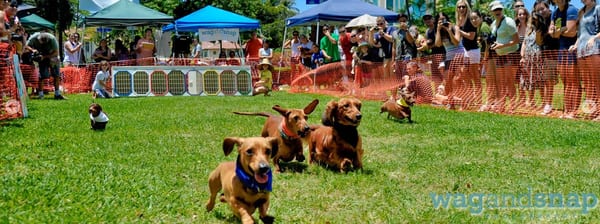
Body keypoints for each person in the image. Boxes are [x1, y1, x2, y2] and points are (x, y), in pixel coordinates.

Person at [569, 0, 600, 120]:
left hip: (594, 49)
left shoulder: (598, 8)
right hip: (581, 51)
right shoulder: (581, 11)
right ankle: (592, 112)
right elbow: (580, 34)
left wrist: (594, 38)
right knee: (587, 84)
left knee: (597, 82)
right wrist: (575, 44)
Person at [549, 0, 579, 118]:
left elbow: (571, 33)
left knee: (573, 81)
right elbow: (553, 33)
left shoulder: (572, 10)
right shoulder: (555, 13)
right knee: (565, 81)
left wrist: (558, 31)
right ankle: (567, 110)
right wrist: (561, 30)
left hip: (573, 49)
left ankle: (573, 111)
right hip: (562, 49)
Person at [489, 1, 520, 113]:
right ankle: (501, 106)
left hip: (511, 54)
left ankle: (512, 107)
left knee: (509, 81)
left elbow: (517, 40)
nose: (498, 11)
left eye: (499, 9)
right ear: (491, 11)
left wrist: (503, 45)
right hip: (500, 55)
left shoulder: (508, 22)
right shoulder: (493, 24)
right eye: (495, 10)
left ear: (502, 10)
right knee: (500, 82)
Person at [535, 0, 560, 115]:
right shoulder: (539, 22)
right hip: (547, 54)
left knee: (568, 80)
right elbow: (539, 41)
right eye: (538, 10)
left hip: (560, 52)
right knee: (548, 80)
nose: (541, 11)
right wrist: (538, 28)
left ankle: (571, 107)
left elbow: (557, 34)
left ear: (548, 7)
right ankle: (548, 105)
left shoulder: (555, 16)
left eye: (542, 8)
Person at [435, 12, 463, 109]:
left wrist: (449, 30)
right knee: (448, 81)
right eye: (440, 21)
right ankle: (451, 103)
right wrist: (438, 30)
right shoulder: (439, 32)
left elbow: (456, 42)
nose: (442, 22)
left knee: (457, 80)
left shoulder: (455, 28)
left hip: (459, 56)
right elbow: (438, 44)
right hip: (449, 57)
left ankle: (463, 102)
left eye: (444, 20)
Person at [26, 32, 67, 100]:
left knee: (56, 75)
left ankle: (57, 94)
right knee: (42, 76)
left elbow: (56, 53)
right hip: (41, 57)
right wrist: (32, 50)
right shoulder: (34, 37)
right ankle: (41, 95)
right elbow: (26, 46)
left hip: (53, 57)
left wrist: (44, 57)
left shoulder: (52, 39)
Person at [455, 0, 480, 108]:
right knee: (464, 75)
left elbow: (471, 36)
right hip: (463, 51)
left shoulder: (470, 19)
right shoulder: (458, 20)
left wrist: (459, 31)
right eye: (459, 7)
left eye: (463, 6)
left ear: (467, 7)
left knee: (475, 76)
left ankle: (478, 101)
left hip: (473, 50)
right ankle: (470, 98)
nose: (461, 9)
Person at [519, 12, 546, 109]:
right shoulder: (528, 29)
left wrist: (538, 31)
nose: (534, 20)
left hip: (537, 57)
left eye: (536, 19)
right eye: (532, 18)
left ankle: (544, 102)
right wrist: (522, 56)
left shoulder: (541, 30)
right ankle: (530, 101)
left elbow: (539, 42)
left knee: (538, 79)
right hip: (527, 57)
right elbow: (524, 43)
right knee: (528, 80)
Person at [392, 14, 415, 78]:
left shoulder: (411, 29)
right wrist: (393, 60)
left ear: (407, 21)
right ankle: (401, 88)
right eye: (400, 21)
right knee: (399, 78)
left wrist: (406, 30)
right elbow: (394, 47)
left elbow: (411, 41)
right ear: (398, 22)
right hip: (398, 59)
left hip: (408, 57)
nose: (402, 23)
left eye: (404, 21)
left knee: (407, 76)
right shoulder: (394, 32)